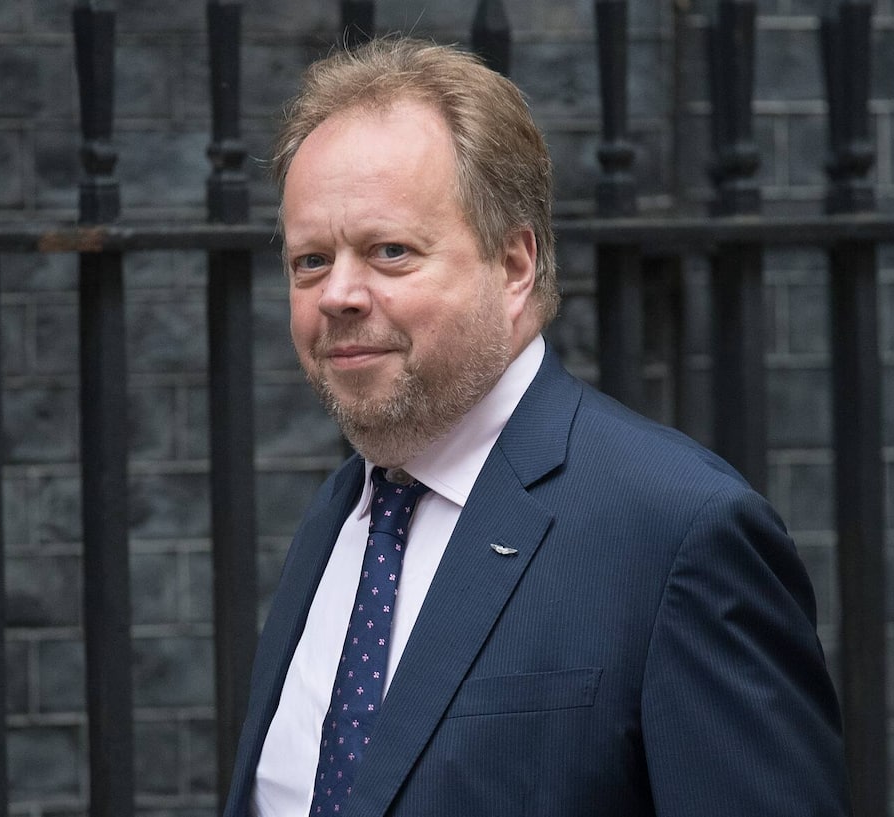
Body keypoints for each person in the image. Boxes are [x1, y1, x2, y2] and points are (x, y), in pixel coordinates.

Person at [223, 36, 851, 817]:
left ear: (514, 265)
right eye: (310, 261)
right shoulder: (341, 516)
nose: (337, 295)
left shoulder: (678, 533)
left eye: (389, 252)